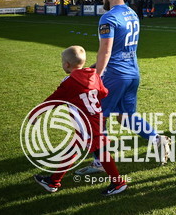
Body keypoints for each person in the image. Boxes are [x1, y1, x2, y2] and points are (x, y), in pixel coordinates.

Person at [75, 0, 170, 175]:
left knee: (98, 117)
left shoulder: (108, 17)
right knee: (125, 117)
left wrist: (96, 75)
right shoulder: (132, 13)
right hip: (132, 72)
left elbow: (106, 51)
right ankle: (157, 138)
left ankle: (99, 162)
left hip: (114, 75)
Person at [32, 46, 127, 196]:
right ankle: (53, 181)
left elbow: (54, 100)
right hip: (95, 118)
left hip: (87, 123)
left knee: (100, 151)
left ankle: (118, 183)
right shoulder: (94, 75)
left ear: (67, 65)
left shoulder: (69, 82)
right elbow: (104, 92)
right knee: (75, 149)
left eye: (63, 61)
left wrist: (36, 113)